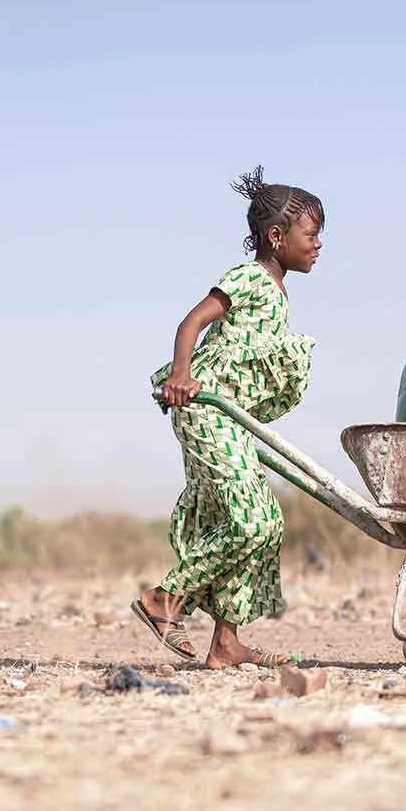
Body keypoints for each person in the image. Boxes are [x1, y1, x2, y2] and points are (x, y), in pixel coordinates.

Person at [131, 166, 324, 669]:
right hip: (205, 410)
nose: (319, 244)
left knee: (257, 522)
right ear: (276, 237)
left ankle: (226, 642)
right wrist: (179, 374)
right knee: (252, 522)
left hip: (230, 418)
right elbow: (191, 321)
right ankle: (164, 600)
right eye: (312, 233)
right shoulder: (248, 279)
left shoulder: (278, 291)